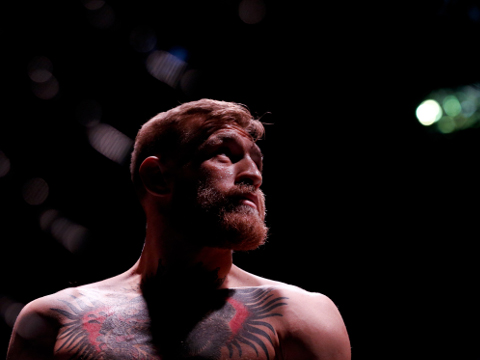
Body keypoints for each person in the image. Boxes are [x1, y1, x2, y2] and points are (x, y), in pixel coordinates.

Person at [7, 99, 351, 360]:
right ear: (158, 178)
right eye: (224, 154)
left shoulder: (302, 316)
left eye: (258, 162)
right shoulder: (53, 320)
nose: (254, 175)